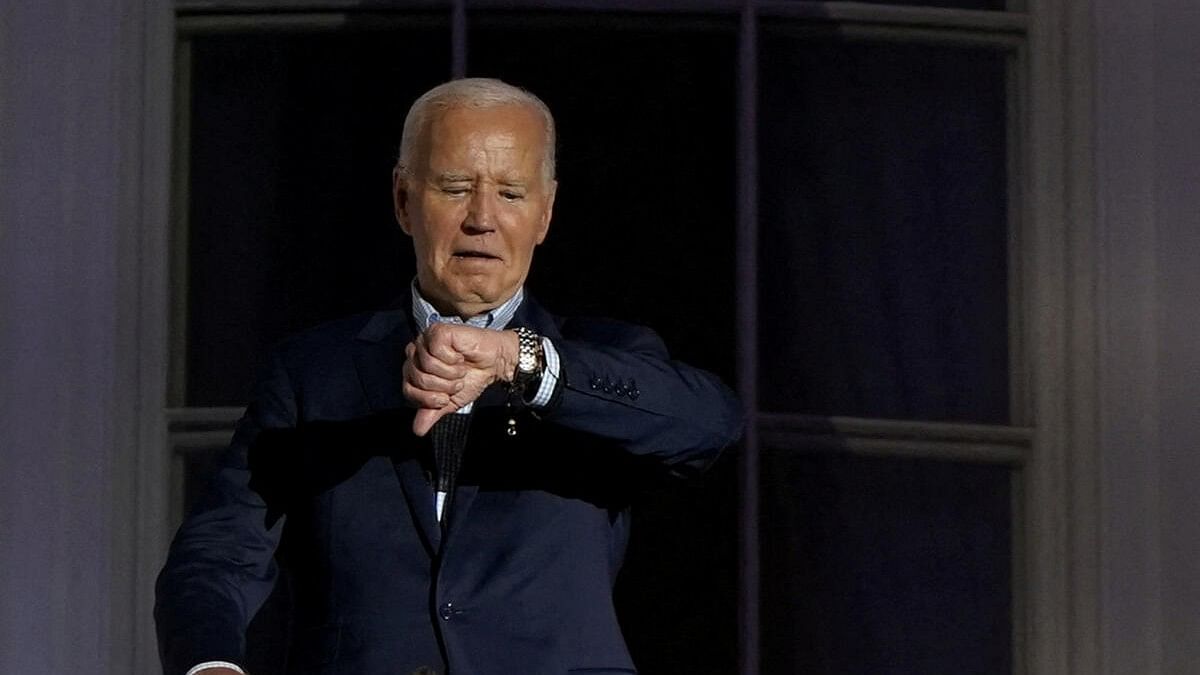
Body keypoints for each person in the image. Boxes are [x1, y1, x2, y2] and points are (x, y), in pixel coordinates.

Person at [155, 77, 743, 675]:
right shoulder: (313, 371)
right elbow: (219, 552)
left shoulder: (606, 357)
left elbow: (710, 423)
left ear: (546, 213)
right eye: (456, 188)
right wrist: (210, 664)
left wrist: (520, 361)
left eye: (512, 194)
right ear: (403, 200)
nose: (482, 219)